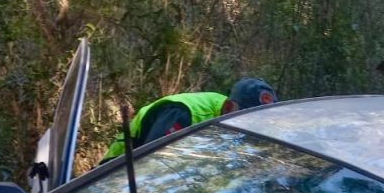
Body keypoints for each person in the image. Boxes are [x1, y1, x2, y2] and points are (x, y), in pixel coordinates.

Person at [102, 77, 277, 161]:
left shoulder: (222, 110)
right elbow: (150, 162)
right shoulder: (183, 113)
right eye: (245, 119)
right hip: (109, 176)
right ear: (230, 106)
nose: (248, 127)